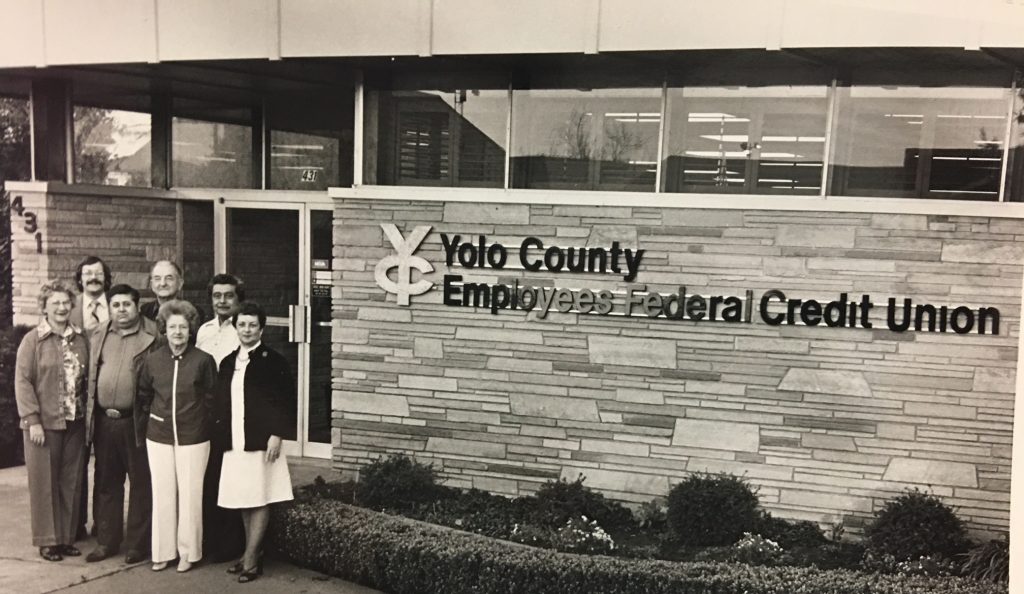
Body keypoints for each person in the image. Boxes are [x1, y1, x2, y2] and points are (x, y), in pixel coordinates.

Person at [214, 302, 295, 583]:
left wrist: (277, 433)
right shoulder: (227, 362)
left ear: (261, 328)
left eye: (252, 325)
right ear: (235, 327)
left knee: (259, 496)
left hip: (261, 440)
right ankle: (252, 551)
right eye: (242, 324)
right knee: (243, 498)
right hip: (234, 440)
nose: (246, 330)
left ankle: (250, 558)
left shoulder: (273, 361)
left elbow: (285, 401)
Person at [136, 300, 217, 573]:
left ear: (191, 329)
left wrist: (199, 423)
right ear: (164, 329)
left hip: (194, 436)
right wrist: (154, 420)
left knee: (191, 494)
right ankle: (162, 551)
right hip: (158, 435)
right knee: (163, 493)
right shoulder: (153, 360)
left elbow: (211, 399)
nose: (178, 332)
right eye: (173, 327)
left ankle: (189, 552)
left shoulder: (203, 361)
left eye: (183, 327)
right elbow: (145, 395)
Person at [84, 284, 161, 564]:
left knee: (142, 483)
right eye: (115, 305)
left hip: (137, 421)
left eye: (126, 304)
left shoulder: (153, 336)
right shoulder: (100, 334)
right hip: (105, 421)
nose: (121, 310)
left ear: (137, 306)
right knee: (106, 482)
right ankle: (107, 541)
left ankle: (138, 545)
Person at [14, 280, 89, 562]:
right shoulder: (33, 341)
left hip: (75, 421)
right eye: (54, 302)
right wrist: (32, 419)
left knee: (70, 481)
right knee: (44, 482)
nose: (60, 307)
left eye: (65, 302)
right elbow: (23, 382)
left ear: (72, 306)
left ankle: (66, 538)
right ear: (44, 307)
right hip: (43, 425)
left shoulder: (81, 339)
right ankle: (48, 540)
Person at [195, 273, 245, 563]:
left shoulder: (244, 329)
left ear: (238, 298)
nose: (222, 301)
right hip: (206, 413)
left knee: (232, 477)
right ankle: (211, 540)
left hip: (233, 412)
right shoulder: (203, 331)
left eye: (228, 295)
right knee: (210, 476)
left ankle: (232, 543)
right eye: (217, 295)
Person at [69, 255, 112, 540]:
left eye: (98, 273)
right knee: (77, 465)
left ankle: (103, 525)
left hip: (107, 400)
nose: (93, 277)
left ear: (107, 278)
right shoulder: (69, 309)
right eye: (87, 273)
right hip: (76, 399)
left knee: (107, 467)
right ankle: (75, 525)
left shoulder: (118, 306)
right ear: (80, 279)